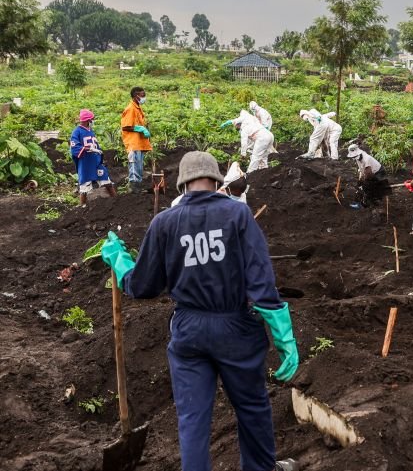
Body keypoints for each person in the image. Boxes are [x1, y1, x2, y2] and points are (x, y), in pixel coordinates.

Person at [101, 151, 299, 471]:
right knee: (252, 407)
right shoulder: (238, 215)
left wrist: (121, 262)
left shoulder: (164, 222)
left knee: (192, 418)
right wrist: (283, 335)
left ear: (182, 185)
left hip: (189, 330)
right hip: (235, 327)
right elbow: (261, 279)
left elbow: (144, 286)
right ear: (218, 180)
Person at [69, 109, 116, 205]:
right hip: (85, 162)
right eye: (92, 119)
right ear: (87, 120)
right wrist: (86, 148)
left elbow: (95, 145)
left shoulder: (91, 131)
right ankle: (82, 207)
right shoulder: (77, 132)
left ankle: (116, 200)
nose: (93, 121)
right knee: (85, 185)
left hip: (95, 161)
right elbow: (74, 146)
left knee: (106, 180)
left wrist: (98, 153)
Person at [120, 86, 152, 193]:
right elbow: (125, 126)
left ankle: (138, 188)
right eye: (142, 95)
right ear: (136, 96)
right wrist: (141, 128)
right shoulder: (130, 109)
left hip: (139, 143)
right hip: (133, 143)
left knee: (138, 166)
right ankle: (133, 189)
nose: (144, 97)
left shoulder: (138, 107)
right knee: (134, 166)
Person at [347, 143, 390, 207]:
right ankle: (367, 201)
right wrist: (360, 180)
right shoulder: (358, 158)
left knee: (369, 186)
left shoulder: (367, 159)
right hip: (370, 172)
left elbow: (368, 174)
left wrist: (364, 183)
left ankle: (369, 203)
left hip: (379, 171)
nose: (354, 158)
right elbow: (361, 170)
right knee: (362, 185)